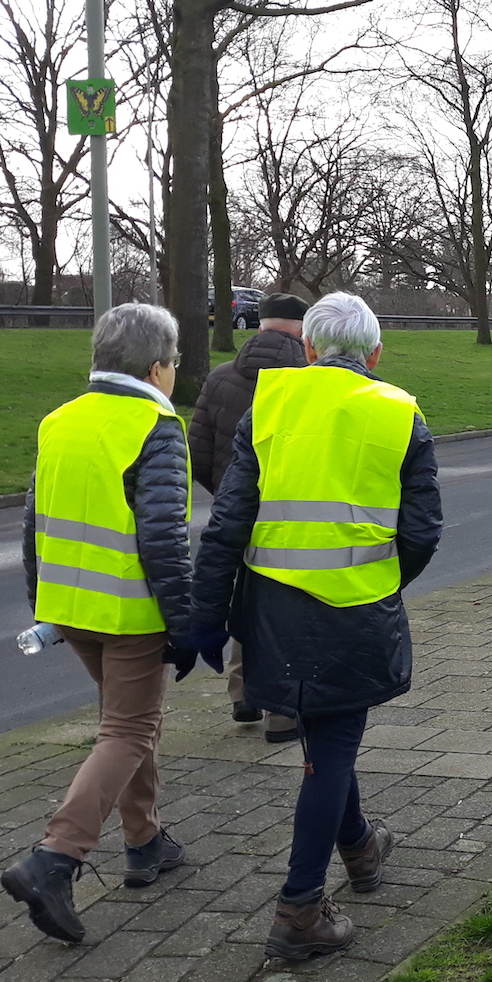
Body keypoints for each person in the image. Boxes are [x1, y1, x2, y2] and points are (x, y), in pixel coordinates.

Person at [190, 292, 443, 961]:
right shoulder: (400, 413)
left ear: (308, 349)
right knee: (330, 750)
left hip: (273, 612)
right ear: (376, 354)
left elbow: (227, 524)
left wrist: (206, 614)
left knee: (325, 735)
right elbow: (422, 531)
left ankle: (360, 846)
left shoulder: (268, 408)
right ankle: (300, 908)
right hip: (356, 609)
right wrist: (381, 580)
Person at [0, 303, 197, 945]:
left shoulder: (59, 421)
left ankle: (144, 842)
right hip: (130, 611)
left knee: (129, 723)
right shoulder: (155, 427)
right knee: (128, 728)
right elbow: (164, 539)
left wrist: (45, 606)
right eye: (174, 362)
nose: (175, 372)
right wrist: (185, 622)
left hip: (72, 608)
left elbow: (33, 524)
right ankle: (55, 858)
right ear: (156, 368)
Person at [188, 292, 310, 744]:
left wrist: (227, 494)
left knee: (241, 594)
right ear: (303, 332)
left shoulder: (220, 378)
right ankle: (282, 712)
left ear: (260, 326)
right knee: (284, 605)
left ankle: (242, 693)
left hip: (233, 508)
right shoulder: (308, 380)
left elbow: (198, 454)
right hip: (294, 513)